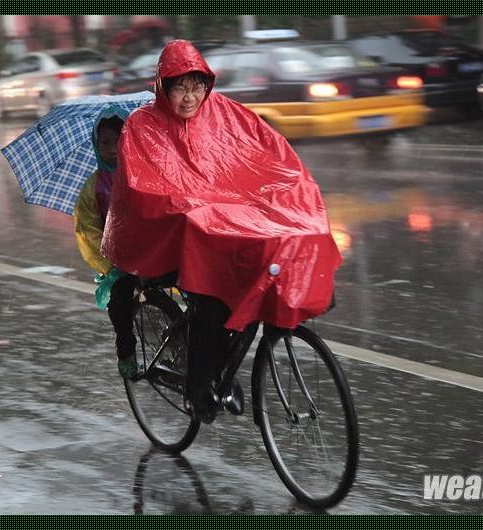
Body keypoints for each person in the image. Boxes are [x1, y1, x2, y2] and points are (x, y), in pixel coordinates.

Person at [102, 40, 342, 422]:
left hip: (223, 225)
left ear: (208, 85)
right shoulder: (142, 126)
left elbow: (270, 156)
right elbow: (146, 189)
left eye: (197, 86)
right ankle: (200, 387)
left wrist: (291, 191)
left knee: (279, 246)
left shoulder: (227, 114)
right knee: (210, 300)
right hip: (171, 241)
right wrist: (196, 207)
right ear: (163, 86)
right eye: (180, 87)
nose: (189, 97)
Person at [73, 106, 140, 379]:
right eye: (105, 143)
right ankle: (126, 350)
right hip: (118, 262)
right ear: (95, 144)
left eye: (119, 140)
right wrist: (112, 265)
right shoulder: (92, 188)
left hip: (154, 254)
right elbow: (88, 233)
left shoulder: (143, 175)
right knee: (121, 301)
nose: (113, 149)